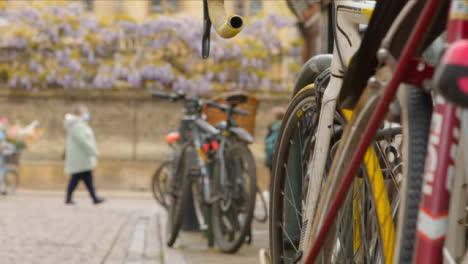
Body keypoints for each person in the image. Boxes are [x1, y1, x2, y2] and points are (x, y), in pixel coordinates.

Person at [64, 105, 104, 205]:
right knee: (79, 178)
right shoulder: (77, 125)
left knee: (83, 178)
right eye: (85, 112)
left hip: (82, 157)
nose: (87, 114)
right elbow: (83, 141)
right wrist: (93, 151)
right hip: (80, 157)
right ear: (80, 113)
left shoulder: (80, 124)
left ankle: (93, 197)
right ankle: (93, 198)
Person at [264, 107, 285, 178]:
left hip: (272, 157)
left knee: (273, 176)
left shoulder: (272, 127)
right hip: (283, 155)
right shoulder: (284, 125)